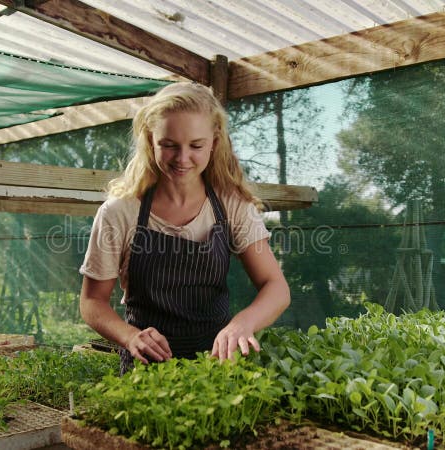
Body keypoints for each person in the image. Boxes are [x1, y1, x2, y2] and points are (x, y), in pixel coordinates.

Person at [79, 82, 290, 374]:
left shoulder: (232, 206)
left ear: (215, 142)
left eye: (196, 145)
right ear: (150, 139)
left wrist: (243, 323)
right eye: (169, 145)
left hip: (216, 366)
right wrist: (130, 336)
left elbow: (276, 287)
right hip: (145, 370)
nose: (182, 158)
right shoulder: (120, 212)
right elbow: (92, 301)